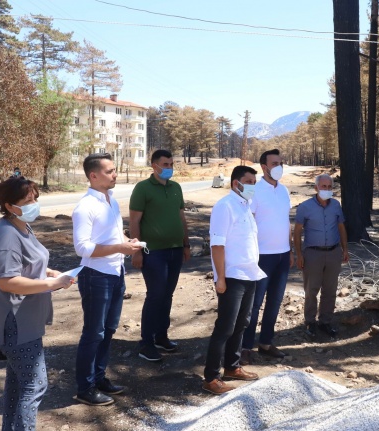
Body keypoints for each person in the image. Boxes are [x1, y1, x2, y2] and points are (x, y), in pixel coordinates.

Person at [0, 177, 74, 430]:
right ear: (10, 206)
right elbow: (8, 281)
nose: (34, 205)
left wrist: (52, 273)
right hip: (14, 323)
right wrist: (51, 284)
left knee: (18, 384)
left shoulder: (21, 227)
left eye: (35, 199)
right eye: (27, 201)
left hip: (26, 321)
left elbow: (30, 264)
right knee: (34, 385)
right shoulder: (6, 237)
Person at [72, 153, 143, 406]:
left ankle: (99, 378)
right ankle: (85, 387)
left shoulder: (110, 200)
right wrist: (119, 249)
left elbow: (111, 236)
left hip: (115, 273)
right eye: (110, 171)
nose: (115, 175)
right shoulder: (85, 207)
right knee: (94, 332)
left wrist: (127, 242)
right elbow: (82, 248)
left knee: (109, 330)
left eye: (115, 170)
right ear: (93, 175)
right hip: (95, 276)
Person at [203, 165, 266, 395]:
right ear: (235, 184)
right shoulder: (225, 207)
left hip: (249, 274)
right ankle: (211, 377)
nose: (252, 186)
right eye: (248, 182)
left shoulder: (245, 207)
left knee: (241, 324)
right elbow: (217, 245)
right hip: (231, 276)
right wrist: (220, 278)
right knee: (225, 327)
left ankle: (232, 366)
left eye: (254, 182)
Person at [129, 149, 191, 362]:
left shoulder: (176, 188)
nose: (169, 168)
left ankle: (161, 336)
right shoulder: (143, 188)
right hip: (152, 252)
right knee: (155, 295)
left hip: (174, 250)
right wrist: (136, 250)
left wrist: (186, 245)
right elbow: (134, 221)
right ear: (154, 166)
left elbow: (181, 218)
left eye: (171, 164)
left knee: (167, 295)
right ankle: (146, 343)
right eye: (165, 164)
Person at [241, 149, 294, 363]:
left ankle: (266, 342)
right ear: (264, 167)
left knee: (275, 301)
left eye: (281, 162)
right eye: (274, 163)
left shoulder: (284, 191)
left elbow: (285, 221)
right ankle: (245, 346)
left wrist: (290, 250)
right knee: (254, 304)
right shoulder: (253, 190)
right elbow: (246, 222)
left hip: (282, 256)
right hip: (261, 256)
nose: (279, 166)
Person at [294, 174, 349, 338]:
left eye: (330, 187)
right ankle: (310, 322)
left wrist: (344, 249)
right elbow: (297, 232)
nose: (326, 189)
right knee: (311, 290)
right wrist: (299, 254)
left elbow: (341, 228)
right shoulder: (305, 207)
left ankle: (326, 321)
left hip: (333, 253)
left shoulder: (336, 206)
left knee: (330, 290)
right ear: (316, 188)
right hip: (312, 254)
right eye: (323, 186)